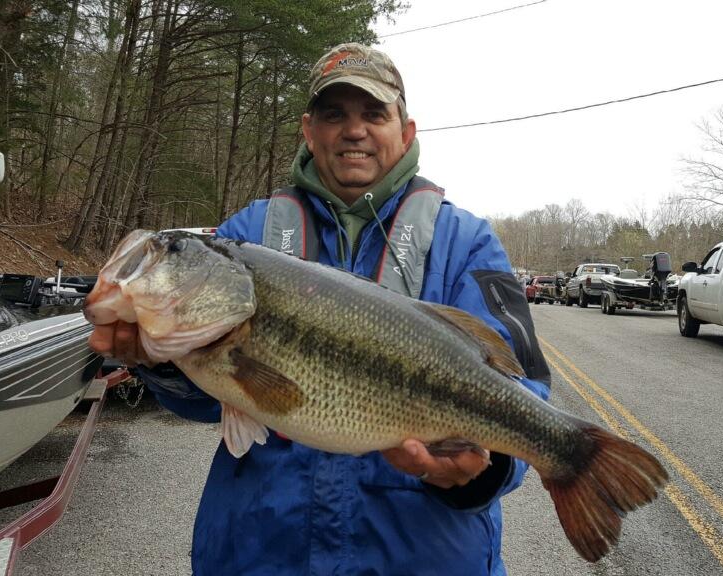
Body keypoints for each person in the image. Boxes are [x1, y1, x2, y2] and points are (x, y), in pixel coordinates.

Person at [89, 43, 551, 576]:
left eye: (374, 113)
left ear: (406, 132)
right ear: (309, 131)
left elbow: (522, 389)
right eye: (334, 115)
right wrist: (161, 363)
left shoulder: (468, 242)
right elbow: (210, 401)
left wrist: (479, 471)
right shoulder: (247, 235)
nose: (354, 130)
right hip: (261, 558)